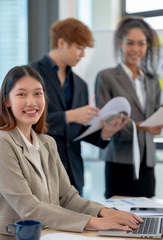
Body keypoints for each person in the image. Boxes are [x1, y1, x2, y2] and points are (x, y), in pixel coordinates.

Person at [0, 65, 143, 239]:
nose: (32, 102)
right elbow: (29, 208)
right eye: (21, 94)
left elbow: (67, 197)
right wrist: (95, 222)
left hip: (50, 234)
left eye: (38, 93)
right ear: (7, 101)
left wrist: (105, 212)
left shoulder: (47, 143)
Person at [30, 18, 129, 195]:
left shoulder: (80, 84)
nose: (82, 54)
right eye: (79, 48)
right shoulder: (31, 74)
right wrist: (70, 116)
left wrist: (105, 133)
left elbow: (78, 131)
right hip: (42, 171)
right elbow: (28, 122)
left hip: (74, 176)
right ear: (61, 43)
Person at [95, 16, 163, 199]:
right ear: (120, 43)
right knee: (118, 217)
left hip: (146, 160)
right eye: (130, 43)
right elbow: (106, 122)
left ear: (147, 46)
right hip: (119, 159)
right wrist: (141, 126)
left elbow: (154, 120)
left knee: (147, 217)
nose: (136, 49)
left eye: (141, 44)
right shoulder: (106, 77)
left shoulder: (152, 80)